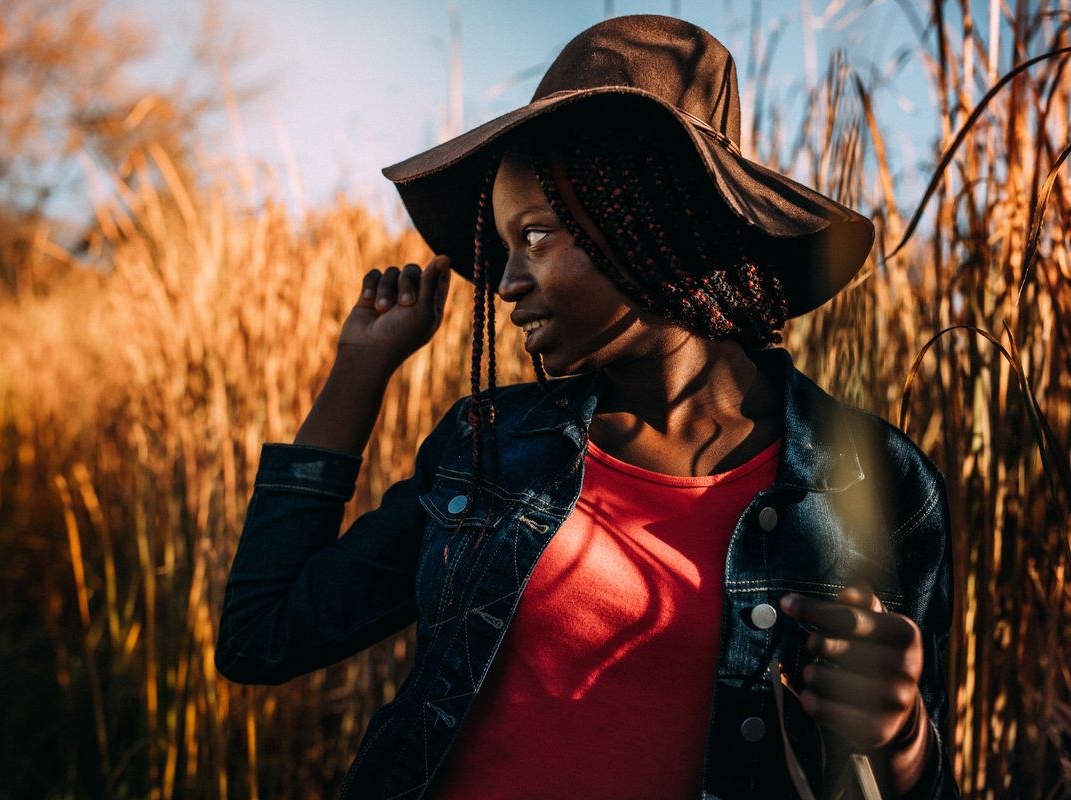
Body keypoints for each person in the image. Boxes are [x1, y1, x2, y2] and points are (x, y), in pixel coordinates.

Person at [215, 15, 958, 800]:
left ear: (649, 219)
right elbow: (261, 638)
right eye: (502, 247)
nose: (505, 283)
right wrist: (359, 373)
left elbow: (913, 779)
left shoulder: (876, 486)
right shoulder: (493, 447)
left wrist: (902, 739)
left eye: (534, 236)